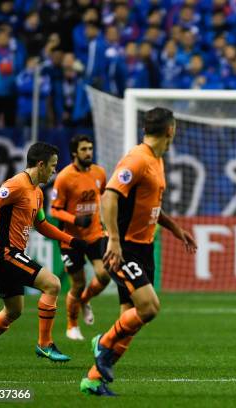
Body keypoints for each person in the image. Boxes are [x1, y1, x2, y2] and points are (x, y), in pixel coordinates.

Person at [80, 107, 197, 396]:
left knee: (131, 319)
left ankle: (93, 380)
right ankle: (103, 342)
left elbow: (149, 205)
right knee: (150, 307)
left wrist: (174, 228)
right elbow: (109, 196)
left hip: (144, 247)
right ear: (171, 129)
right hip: (124, 248)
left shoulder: (156, 160)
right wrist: (115, 241)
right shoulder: (138, 159)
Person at [0, 142, 87, 368]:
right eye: (52, 166)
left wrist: (71, 240)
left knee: (13, 311)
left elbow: (41, 225)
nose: (54, 171)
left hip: (10, 253)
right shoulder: (16, 185)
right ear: (40, 164)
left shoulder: (37, 193)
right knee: (52, 284)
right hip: (4, 252)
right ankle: (45, 344)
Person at [50, 135, 111, 341]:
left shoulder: (99, 173)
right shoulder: (65, 177)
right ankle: (72, 326)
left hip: (94, 234)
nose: (88, 153)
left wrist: (107, 223)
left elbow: (104, 197)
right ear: (75, 152)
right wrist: (75, 219)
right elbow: (55, 210)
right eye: (84, 149)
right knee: (78, 283)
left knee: (104, 275)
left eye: (90, 148)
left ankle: (85, 300)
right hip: (70, 239)